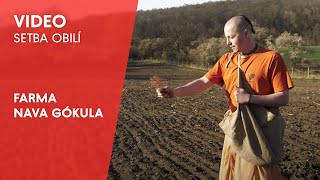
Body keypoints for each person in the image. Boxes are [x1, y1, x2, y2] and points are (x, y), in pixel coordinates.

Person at [156, 15, 294, 180]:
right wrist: (173, 92)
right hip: (235, 129)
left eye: (231, 37)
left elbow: (283, 98)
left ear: (245, 33)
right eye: (226, 37)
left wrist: (250, 98)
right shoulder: (226, 60)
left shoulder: (271, 58)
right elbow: (203, 82)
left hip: (260, 132)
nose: (227, 42)